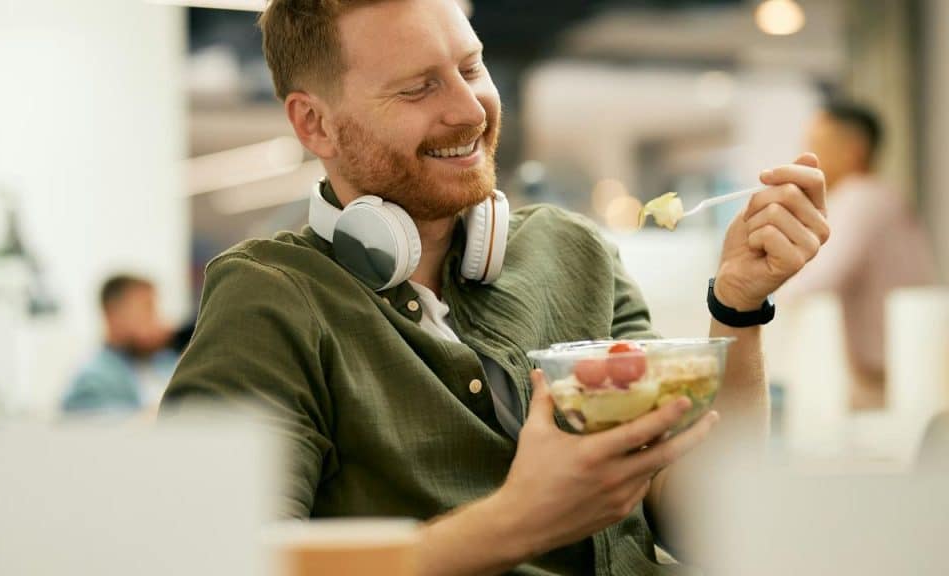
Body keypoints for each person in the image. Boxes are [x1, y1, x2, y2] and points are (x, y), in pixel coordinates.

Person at [161, 1, 829, 573]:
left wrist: (738, 307)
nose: (469, 109)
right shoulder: (271, 299)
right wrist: (516, 522)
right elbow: (216, 561)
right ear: (315, 124)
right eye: (419, 87)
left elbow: (710, 521)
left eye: (471, 68)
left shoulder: (575, 253)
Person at [781, 101, 937, 410]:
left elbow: (821, 278)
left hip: (883, 375)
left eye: (816, 146)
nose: (807, 158)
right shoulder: (884, 196)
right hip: (908, 364)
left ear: (852, 150)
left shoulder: (857, 198)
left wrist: (762, 289)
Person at [63, 275, 177, 414]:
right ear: (113, 314)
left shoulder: (167, 363)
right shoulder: (91, 382)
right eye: (148, 309)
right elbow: (116, 432)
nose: (158, 320)